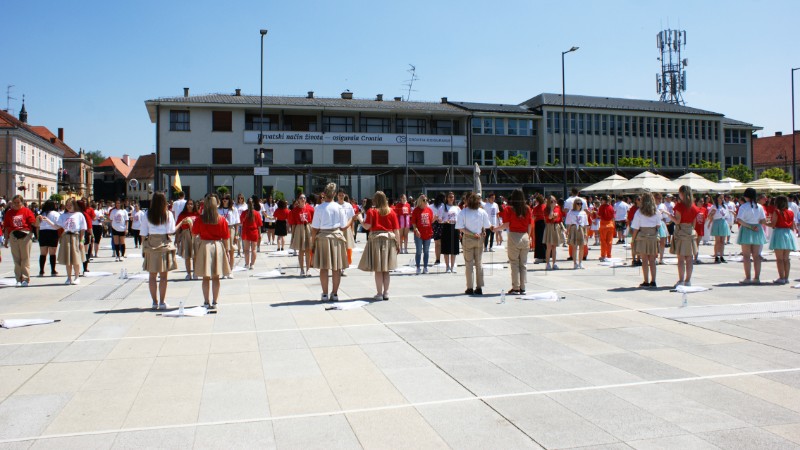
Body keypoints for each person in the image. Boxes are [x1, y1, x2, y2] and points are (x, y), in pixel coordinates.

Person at [358, 191, 400, 300]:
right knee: (386, 269)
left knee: (378, 269)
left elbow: (366, 227)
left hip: (376, 239)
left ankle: (379, 293)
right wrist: (398, 244)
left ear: (375, 200)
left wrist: (360, 219)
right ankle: (386, 293)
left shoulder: (372, 211)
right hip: (389, 240)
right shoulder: (391, 211)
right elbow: (396, 230)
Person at [311, 183, 349, 301]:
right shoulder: (339, 207)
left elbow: (314, 228)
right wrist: (352, 220)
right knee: (336, 268)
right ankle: (335, 293)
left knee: (324, 267)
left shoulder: (319, 208)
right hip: (336, 236)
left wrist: (312, 243)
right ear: (335, 194)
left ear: (324, 193)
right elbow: (343, 226)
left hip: (323, 237)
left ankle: (325, 294)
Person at [140, 192, 177, 310]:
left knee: (152, 275)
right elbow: (170, 230)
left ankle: (154, 302)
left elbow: (143, 233)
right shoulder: (167, 214)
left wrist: (143, 247)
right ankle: (162, 301)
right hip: (163, 243)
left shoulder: (147, 214)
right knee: (164, 276)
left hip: (151, 243)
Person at [192, 194, 231, 309]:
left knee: (205, 277)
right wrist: (227, 251)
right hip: (217, 245)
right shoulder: (222, 219)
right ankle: (215, 301)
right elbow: (225, 237)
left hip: (205, 245)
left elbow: (194, 233)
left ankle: (206, 301)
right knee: (216, 276)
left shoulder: (200, 219)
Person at [40, 198, 87, 285]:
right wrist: (48, 221)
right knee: (68, 259)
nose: (68, 207)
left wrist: (81, 240)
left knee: (76, 259)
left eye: (70, 205)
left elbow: (83, 229)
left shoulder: (79, 215)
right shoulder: (63, 215)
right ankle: (69, 277)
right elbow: (56, 226)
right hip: (66, 236)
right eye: (67, 205)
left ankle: (77, 277)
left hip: (75, 236)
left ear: (74, 205)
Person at [495, 188, 532, 294]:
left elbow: (506, 225)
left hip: (514, 236)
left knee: (514, 263)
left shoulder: (509, 209)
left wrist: (496, 229)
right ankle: (523, 287)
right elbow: (530, 225)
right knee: (523, 264)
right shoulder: (527, 209)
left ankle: (515, 287)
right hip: (525, 236)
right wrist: (528, 237)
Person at [456, 192, 492, 295]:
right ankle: (479, 287)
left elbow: (461, 227)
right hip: (479, 238)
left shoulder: (463, 212)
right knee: (479, 263)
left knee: (469, 264)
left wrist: (472, 233)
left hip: (468, 238)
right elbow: (487, 225)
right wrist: (482, 230)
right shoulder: (482, 212)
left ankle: (470, 287)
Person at [668, 185, 700, 288]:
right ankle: (688, 280)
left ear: (682, 194)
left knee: (681, 258)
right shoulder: (694, 207)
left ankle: (681, 280)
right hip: (690, 231)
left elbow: (677, 221)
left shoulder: (679, 206)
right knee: (689, 258)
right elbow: (694, 223)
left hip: (681, 231)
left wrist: (669, 215)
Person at [735, 187, 767, 284]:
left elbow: (739, 219)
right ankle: (757, 277)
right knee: (756, 255)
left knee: (746, 256)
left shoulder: (743, 206)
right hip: (757, 229)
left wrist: (749, 226)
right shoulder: (760, 207)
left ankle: (748, 277)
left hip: (747, 230)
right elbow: (763, 220)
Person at [3, 195, 36, 287]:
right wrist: (6, 240)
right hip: (13, 235)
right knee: (16, 259)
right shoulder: (9, 213)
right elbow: (7, 227)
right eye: (15, 203)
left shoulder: (26, 211)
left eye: (18, 202)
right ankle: (18, 278)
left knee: (25, 258)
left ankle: (25, 278)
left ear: (22, 202)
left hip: (25, 234)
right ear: (12, 203)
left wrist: (38, 221)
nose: (17, 204)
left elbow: (33, 223)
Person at [631, 192, 660, 288]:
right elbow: (658, 225)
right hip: (652, 236)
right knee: (652, 260)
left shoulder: (639, 212)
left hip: (643, 236)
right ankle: (653, 281)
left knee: (644, 260)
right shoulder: (656, 211)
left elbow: (635, 228)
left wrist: (633, 239)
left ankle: (646, 281)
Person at [768, 195, 796, 284]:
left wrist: (764, 222)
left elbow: (773, 224)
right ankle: (786, 278)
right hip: (788, 233)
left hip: (779, 233)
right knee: (786, 259)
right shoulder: (790, 212)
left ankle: (781, 277)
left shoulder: (777, 211)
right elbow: (792, 226)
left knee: (779, 259)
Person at [290, 194, 315, 276]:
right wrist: (293, 235)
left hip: (308, 228)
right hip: (299, 228)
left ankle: (308, 269)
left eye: (304, 198)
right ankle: (301, 270)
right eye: (301, 198)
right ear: (298, 200)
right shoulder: (294, 210)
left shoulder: (310, 209)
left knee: (308, 250)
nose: (303, 199)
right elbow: (293, 224)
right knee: (301, 250)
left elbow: (314, 222)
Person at [411, 194, 434, 274]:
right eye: (424, 200)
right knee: (419, 251)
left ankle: (425, 267)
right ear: (420, 201)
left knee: (426, 251)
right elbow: (413, 223)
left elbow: (430, 221)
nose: (426, 201)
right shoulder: (416, 210)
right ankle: (418, 267)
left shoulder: (429, 210)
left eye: (426, 200)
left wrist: (436, 219)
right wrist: (416, 230)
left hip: (427, 233)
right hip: (419, 234)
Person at [35, 200, 60, 277]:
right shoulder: (56, 214)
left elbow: (37, 225)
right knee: (52, 253)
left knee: (43, 253)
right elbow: (58, 224)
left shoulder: (41, 214)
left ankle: (41, 270)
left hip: (43, 232)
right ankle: (53, 270)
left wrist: (37, 235)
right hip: (52, 232)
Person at [176, 199, 199, 279]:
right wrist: (177, 239)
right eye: (188, 204)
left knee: (195, 255)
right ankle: (188, 273)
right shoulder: (182, 215)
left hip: (195, 235)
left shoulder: (197, 214)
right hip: (185, 234)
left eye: (191, 204)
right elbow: (178, 227)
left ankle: (195, 273)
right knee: (187, 255)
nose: (190, 205)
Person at [439, 192, 461, 273]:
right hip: (446, 227)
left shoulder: (457, 208)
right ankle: (447, 266)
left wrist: (460, 232)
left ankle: (452, 266)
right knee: (446, 248)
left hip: (455, 227)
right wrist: (445, 221)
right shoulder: (443, 207)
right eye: (450, 197)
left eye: (452, 197)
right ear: (447, 198)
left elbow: (460, 220)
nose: (451, 198)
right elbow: (439, 219)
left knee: (454, 249)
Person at [218, 194, 239, 275]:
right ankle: (224, 269)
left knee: (231, 251)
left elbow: (237, 223)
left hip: (231, 229)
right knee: (223, 251)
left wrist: (237, 234)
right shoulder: (218, 209)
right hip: (221, 230)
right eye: (223, 198)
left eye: (226, 198)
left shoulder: (233, 209)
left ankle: (230, 269)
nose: (224, 200)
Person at [565, 198, 589, 269]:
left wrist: (586, 233)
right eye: (578, 204)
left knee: (582, 246)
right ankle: (575, 263)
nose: (579, 205)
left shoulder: (583, 213)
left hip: (581, 229)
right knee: (574, 247)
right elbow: (568, 223)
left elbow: (585, 224)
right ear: (575, 204)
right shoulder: (571, 212)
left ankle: (580, 262)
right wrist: (567, 231)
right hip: (573, 228)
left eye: (581, 204)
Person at [240, 198, 263, 269]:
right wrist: (260, 234)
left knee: (246, 249)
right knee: (254, 249)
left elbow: (241, 223)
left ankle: (247, 264)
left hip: (246, 231)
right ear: (253, 204)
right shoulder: (257, 213)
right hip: (254, 231)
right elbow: (259, 225)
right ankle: (252, 264)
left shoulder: (244, 213)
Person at [336, 190, 356, 269]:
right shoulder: (334, 205)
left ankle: (345, 265)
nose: (341, 196)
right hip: (337, 228)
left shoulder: (348, 205)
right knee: (338, 247)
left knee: (347, 247)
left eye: (342, 195)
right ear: (337, 196)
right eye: (339, 195)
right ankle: (339, 264)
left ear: (344, 196)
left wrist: (352, 229)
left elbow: (352, 218)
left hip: (347, 227)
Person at [708, 194, 730, 263]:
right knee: (717, 241)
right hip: (717, 222)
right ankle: (716, 256)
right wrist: (712, 213)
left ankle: (721, 255)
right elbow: (709, 217)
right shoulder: (714, 206)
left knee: (722, 241)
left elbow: (727, 215)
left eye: (722, 198)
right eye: (720, 198)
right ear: (717, 199)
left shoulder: (725, 206)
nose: (722, 199)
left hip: (723, 222)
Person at [543, 195, 563, 270]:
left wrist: (563, 227)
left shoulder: (558, 208)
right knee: (549, 247)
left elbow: (559, 218)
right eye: (552, 201)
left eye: (555, 201)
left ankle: (554, 263)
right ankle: (547, 263)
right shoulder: (546, 209)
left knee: (554, 247)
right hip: (549, 227)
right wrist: (551, 208)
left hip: (556, 227)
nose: (554, 202)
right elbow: (550, 217)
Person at [597, 195, 615, 262]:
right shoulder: (611, 207)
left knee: (603, 241)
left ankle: (603, 255)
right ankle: (609, 255)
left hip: (603, 225)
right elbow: (613, 217)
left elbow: (599, 215)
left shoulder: (602, 207)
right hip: (610, 224)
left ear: (603, 200)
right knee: (609, 241)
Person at [431, 192, 446, 266]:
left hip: (436, 224)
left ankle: (438, 259)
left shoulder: (432, 206)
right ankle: (438, 259)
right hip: (440, 224)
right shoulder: (443, 206)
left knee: (437, 243)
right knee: (439, 243)